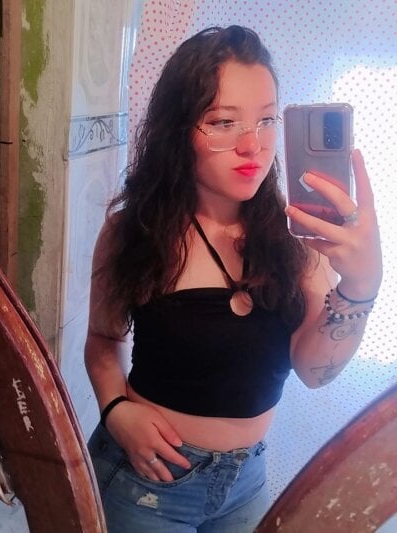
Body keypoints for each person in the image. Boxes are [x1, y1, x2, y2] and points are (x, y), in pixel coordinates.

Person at [85, 25, 382, 533]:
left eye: (266, 120)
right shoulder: (136, 231)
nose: (253, 146)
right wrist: (115, 409)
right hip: (144, 481)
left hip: (246, 483)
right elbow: (101, 339)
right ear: (179, 129)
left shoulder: (297, 239)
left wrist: (361, 286)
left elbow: (316, 373)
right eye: (223, 122)